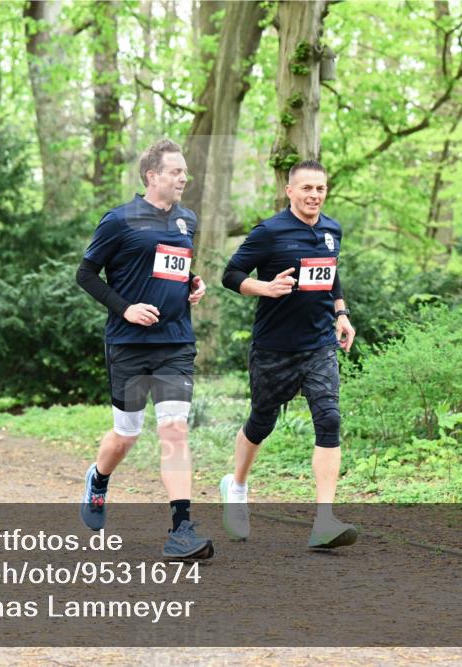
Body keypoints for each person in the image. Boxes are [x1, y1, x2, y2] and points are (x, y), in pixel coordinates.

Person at [75, 139, 212, 560]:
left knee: (174, 429)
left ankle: (181, 528)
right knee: (127, 434)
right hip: (129, 343)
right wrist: (126, 308)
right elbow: (86, 274)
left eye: (185, 171)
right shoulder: (119, 220)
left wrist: (193, 283)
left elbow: (171, 265)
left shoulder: (187, 220)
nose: (183, 178)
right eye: (175, 171)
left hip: (175, 341)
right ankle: (98, 478)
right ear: (152, 176)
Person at [219, 159, 357, 549]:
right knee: (262, 421)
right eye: (307, 189)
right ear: (290, 191)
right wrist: (263, 288)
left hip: (319, 346)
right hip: (273, 348)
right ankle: (237, 485)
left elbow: (331, 274)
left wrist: (341, 313)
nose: (314, 195)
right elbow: (230, 274)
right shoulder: (269, 232)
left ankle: (324, 520)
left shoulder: (332, 229)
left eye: (321, 189)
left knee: (329, 418)